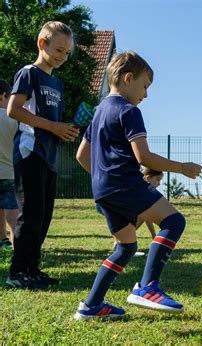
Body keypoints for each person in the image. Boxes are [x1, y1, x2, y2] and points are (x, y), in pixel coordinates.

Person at [74, 51, 201, 320]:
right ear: (128, 78)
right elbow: (143, 157)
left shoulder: (98, 113)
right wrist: (183, 168)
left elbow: (81, 156)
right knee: (174, 222)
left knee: (126, 247)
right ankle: (147, 287)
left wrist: (103, 180)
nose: (146, 94)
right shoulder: (129, 111)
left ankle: (91, 305)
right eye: (145, 86)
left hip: (103, 190)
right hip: (125, 184)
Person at [5, 21, 80, 288]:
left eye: (66, 52)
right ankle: (17, 272)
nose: (62, 57)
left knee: (44, 215)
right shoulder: (29, 73)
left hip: (49, 156)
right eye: (58, 50)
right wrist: (53, 127)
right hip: (29, 151)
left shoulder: (57, 84)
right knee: (31, 212)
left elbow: (52, 123)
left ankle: (32, 269)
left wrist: (65, 130)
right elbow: (13, 110)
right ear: (42, 44)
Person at [0, 80, 18, 252]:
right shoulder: (12, 119)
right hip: (9, 172)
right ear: (2, 97)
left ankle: (2, 240)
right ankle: (16, 244)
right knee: (12, 213)